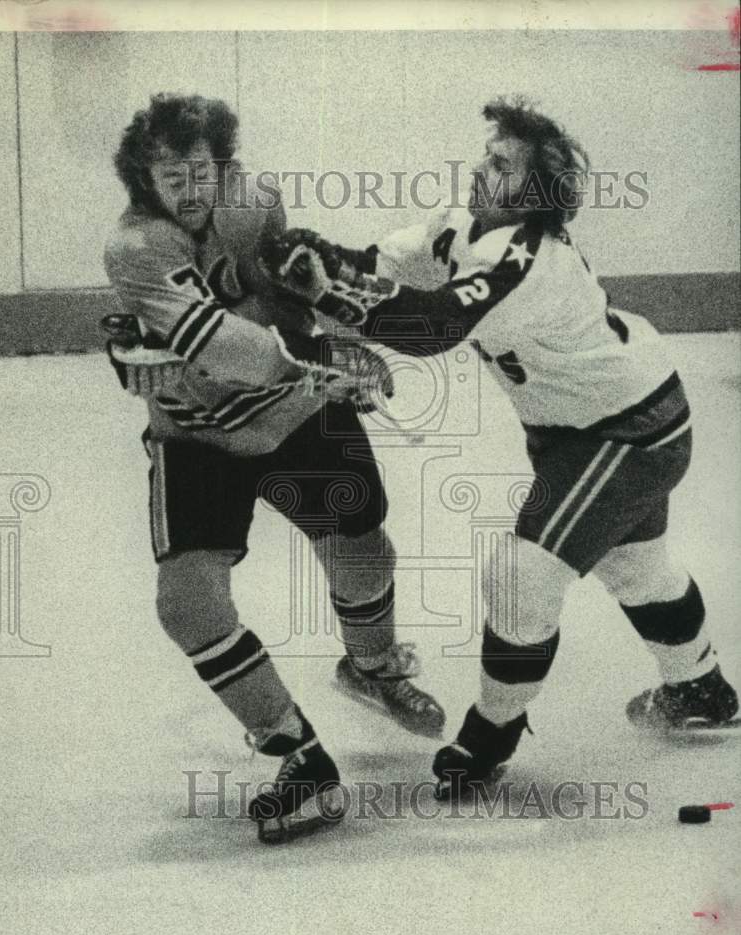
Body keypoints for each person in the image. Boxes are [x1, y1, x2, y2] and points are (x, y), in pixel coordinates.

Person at [259, 95, 739, 799]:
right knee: (637, 571)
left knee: (522, 575)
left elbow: (433, 327)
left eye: (504, 165)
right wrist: (323, 258)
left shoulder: (529, 261)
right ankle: (700, 688)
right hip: (607, 424)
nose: (483, 169)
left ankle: (489, 737)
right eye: (488, 155)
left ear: (536, 194)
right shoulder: (461, 229)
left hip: (623, 435)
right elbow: (379, 268)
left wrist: (326, 297)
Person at [102, 93, 445, 842]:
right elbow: (224, 348)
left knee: (361, 543)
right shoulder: (136, 247)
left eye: (200, 171)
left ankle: (373, 666)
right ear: (143, 180)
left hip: (295, 412)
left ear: (222, 166)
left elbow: (291, 291)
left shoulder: (253, 200)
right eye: (170, 176)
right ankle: (299, 755)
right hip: (200, 434)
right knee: (188, 606)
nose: (190, 191)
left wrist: (317, 293)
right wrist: (321, 362)